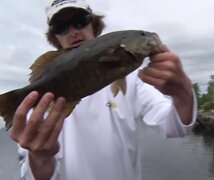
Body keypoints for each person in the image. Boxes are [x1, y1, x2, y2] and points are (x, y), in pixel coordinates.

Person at [10, 0, 197, 179]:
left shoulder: (134, 80)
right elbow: (32, 175)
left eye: (80, 21)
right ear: (54, 36)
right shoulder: (37, 106)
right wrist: (39, 158)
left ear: (94, 24)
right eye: (61, 26)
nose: (74, 32)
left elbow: (175, 127)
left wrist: (183, 94)